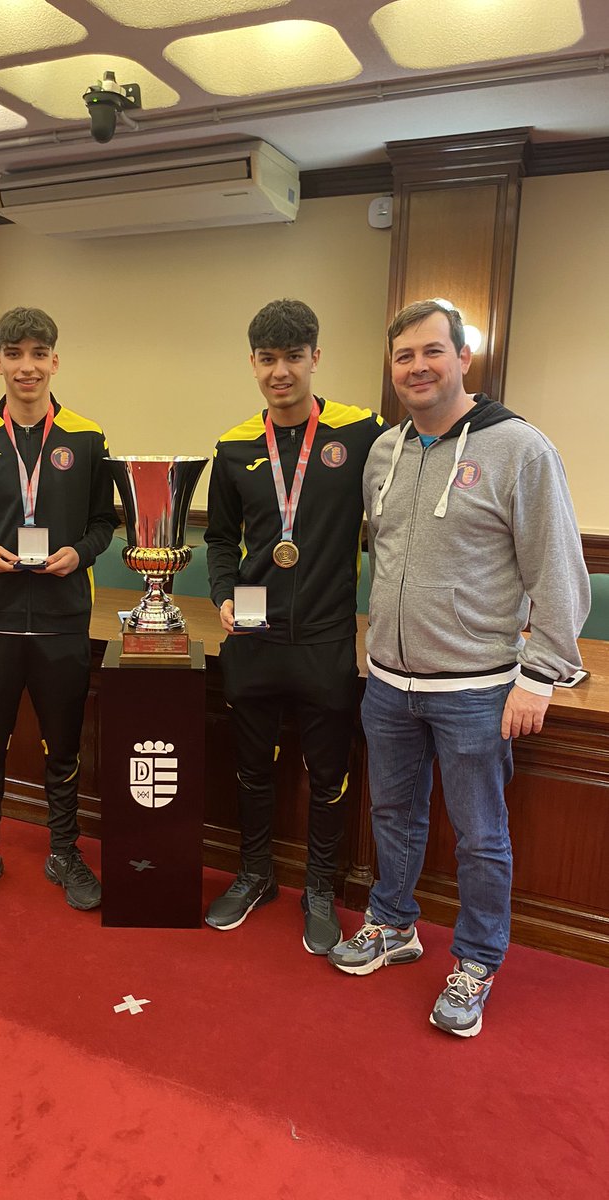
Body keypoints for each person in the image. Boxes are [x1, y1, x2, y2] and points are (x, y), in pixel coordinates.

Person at [328, 299, 590, 1037]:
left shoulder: (519, 449)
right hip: (387, 684)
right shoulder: (385, 450)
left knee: (480, 836)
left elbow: (560, 573)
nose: (417, 367)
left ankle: (476, 961)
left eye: (431, 352)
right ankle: (394, 924)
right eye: (404, 356)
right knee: (391, 817)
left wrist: (539, 675)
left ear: (464, 357)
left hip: (477, 692)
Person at [204, 298, 386, 952]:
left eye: (293, 357)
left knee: (327, 773)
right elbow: (221, 539)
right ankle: (254, 874)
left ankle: (318, 887)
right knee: (252, 769)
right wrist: (222, 592)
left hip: (325, 639)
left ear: (316, 357)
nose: (281, 371)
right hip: (251, 632)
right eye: (267, 358)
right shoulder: (233, 446)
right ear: (253, 363)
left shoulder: (363, 433)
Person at [0, 306, 116, 915]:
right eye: (14, 355)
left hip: (64, 621)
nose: (27, 367)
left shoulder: (88, 436)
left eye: (38, 355)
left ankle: (64, 850)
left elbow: (103, 523)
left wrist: (80, 553)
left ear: (55, 361)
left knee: (63, 745)